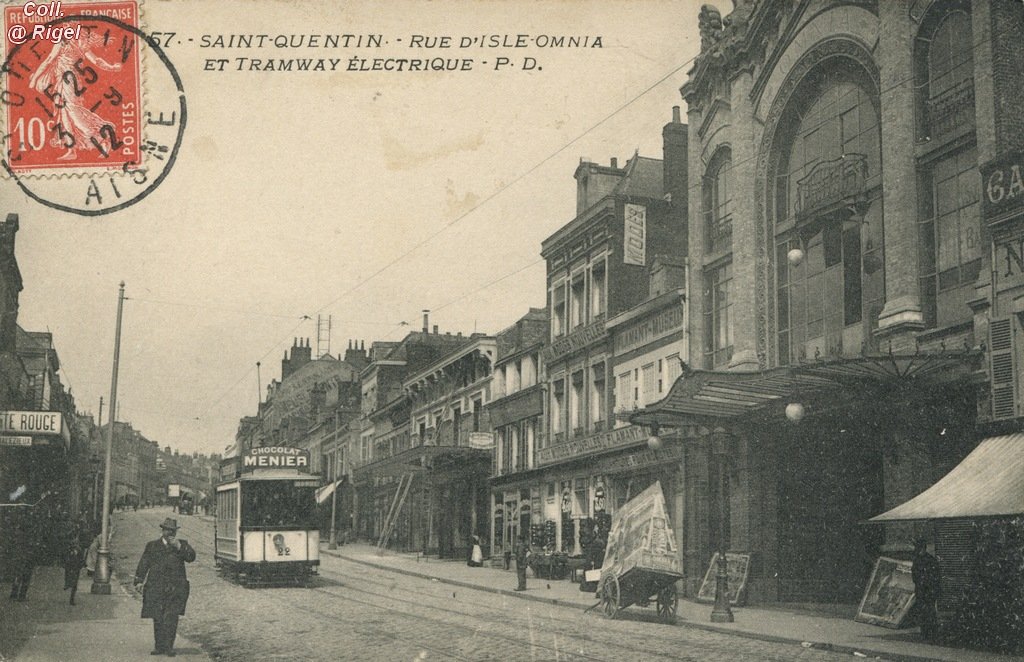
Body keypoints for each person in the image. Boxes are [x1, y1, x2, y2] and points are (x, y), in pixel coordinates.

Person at [134, 518, 196, 657]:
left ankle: (169, 647)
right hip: (156, 586)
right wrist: (138, 580)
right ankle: (159, 646)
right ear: (162, 531)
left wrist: (179, 546)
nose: (170, 534)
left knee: (171, 617)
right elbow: (144, 563)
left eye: (172, 531)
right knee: (158, 617)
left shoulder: (181, 545)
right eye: (167, 530)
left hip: (175, 588)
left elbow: (191, 557)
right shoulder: (152, 546)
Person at [911, 537, 942, 642]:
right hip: (926, 592)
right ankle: (929, 634)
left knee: (927, 613)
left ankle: (928, 634)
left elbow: (915, 577)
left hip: (926, 592)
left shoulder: (920, 560)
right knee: (928, 612)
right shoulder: (929, 560)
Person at [63, 523, 86, 605]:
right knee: (74, 582)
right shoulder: (74, 549)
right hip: (73, 565)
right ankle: (71, 597)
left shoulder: (75, 549)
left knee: (73, 582)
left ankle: (71, 597)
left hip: (73, 565)